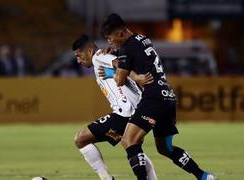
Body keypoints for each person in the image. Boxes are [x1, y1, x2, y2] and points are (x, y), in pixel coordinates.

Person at [100, 13, 217, 180]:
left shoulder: (126, 48)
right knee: (165, 148)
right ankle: (204, 176)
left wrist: (115, 66)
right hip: (167, 96)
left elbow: (119, 79)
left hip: (153, 97)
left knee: (129, 140)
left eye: (109, 38)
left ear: (120, 33)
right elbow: (136, 58)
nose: (109, 42)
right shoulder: (143, 39)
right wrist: (120, 53)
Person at [72, 35, 157, 180]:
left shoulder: (98, 57)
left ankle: (106, 178)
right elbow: (121, 64)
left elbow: (120, 64)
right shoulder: (104, 56)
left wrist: (136, 77)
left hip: (125, 113)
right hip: (137, 110)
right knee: (133, 148)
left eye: (79, 55)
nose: (78, 60)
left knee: (81, 139)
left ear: (90, 50)